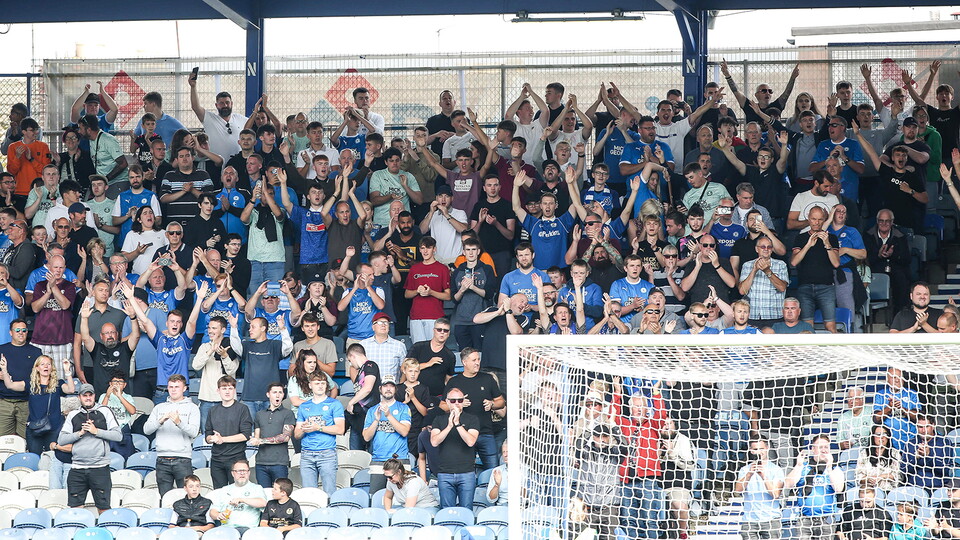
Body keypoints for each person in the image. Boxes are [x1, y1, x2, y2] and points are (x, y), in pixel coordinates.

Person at [123, 281, 204, 403]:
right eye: (172, 321)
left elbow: (192, 322)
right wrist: (131, 299)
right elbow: (145, 321)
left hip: (182, 390)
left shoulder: (184, 340)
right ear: (166, 323)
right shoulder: (160, 339)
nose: (175, 324)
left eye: (178, 322)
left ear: (181, 325)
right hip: (161, 391)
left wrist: (199, 299)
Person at [58, 383, 122, 514]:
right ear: (79, 397)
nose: (88, 398)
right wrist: (79, 433)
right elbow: (61, 440)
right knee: (75, 510)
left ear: (94, 396)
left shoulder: (105, 411)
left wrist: (96, 431)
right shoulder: (73, 414)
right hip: (77, 468)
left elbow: (118, 436)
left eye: (90, 395)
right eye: (84, 395)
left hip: (100, 467)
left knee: (104, 508)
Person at [143, 374, 201, 496]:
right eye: (171, 387)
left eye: (177, 387)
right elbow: (146, 430)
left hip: (183, 459)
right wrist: (160, 421)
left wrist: (179, 422)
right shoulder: (159, 407)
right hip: (162, 459)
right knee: (165, 498)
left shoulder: (192, 407)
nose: (173, 390)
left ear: (184, 388)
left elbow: (194, 432)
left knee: (187, 498)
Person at [783, 435, 844, 540]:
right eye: (820, 447)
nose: (824, 450)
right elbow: (788, 484)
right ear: (813, 449)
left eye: (826, 447)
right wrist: (798, 466)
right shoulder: (803, 467)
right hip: (805, 520)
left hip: (826, 520)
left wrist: (829, 468)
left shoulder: (835, 468)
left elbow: (838, 489)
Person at [790, 206, 840, 333]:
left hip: (826, 287)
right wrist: (808, 245)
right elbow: (794, 262)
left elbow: (836, 263)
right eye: (813, 219)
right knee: (807, 328)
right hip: (805, 287)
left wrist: (827, 244)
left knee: (831, 327)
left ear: (824, 220)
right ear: (808, 218)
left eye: (820, 219)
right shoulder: (801, 238)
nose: (816, 222)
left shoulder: (832, 238)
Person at [430, 386, 480, 509]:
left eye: (460, 400)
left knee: (466, 510)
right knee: (446, 511)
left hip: (466, 472)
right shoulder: (439, 419)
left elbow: (470, 442)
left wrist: (457, 424)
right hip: (445, 473)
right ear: (447, 402)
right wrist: (449, 426)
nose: (457, 403)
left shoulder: (472, 419)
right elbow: (434, 442)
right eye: (453, 401)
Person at [295, 373, 344, 496]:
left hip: (327, 453)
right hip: (306, 454)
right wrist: (304, 428)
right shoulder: (304, 406)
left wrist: (318, 427)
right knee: (309, 494)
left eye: (323, 383)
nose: (320, 386)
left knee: (329, 493)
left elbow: (340, 429)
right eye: (317, 383)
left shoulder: (334, 404)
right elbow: (296, 434)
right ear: (310, 385)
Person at [363, 374, 412, 493]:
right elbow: (366, 437)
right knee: (376, 497)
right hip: (378, 459)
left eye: (391, 386)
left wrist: (389, 415)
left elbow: (404, 431)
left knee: (402, 497)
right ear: (380, 389)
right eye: (385, 386)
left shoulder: (403, 408)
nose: (388, 389)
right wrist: (376, 420)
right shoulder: (372, 410)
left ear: (395, 389)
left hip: (400, 459)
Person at [78, 302, 139, 397]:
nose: (110, 335)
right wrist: (84, 318)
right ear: (101, 336)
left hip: (122, 397)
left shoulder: (125, 348)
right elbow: (85, 338)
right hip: (101, 397)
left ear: (117, 334)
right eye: (106, 333)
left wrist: (133, 317)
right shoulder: (97, 349)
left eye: (112, 332)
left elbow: (136, 336)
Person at [206, 376, 254, 489]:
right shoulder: (212, 410)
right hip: (217, 459)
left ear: (235, 390)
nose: (227, 391)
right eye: (224, 388)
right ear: (218, 391)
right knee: (219, 493)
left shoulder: (242, 409)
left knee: (238, 493)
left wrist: (222, 439)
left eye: (230, 388)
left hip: (237, 459)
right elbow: (207, 435)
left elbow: (246, 435)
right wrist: (212, 438)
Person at [22, 355, 75, 455]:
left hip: (54, 427)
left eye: (48, 364)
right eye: (42, 364)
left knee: (52, 457)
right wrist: (4, 371)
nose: (46, 366)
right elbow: (10, 385)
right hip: (35, 427)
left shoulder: (58, 383)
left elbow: (71, 390)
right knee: (35, 457)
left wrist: (67, 371)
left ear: (52, 367)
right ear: (37, 368)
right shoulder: (31, 384)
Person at [734, 438, 784, 540]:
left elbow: (776, 494)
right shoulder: (744, 470)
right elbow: (737, 490)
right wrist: (749, 474)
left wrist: (763, 476)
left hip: (771, 519)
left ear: (767, 448)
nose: (759, 452)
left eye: (761, 449)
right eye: (755, 449)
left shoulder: (776, 469)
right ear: (751, 451)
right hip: (749, 520)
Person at [0, 319, 42, 438]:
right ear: (10, 332)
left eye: (24, 330)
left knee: (27, 440)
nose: (21, 333)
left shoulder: (36, 352)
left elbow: (41, 376)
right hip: (4, 403)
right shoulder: (1, 350)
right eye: (17, 330)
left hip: (27, 403)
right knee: (3, 441)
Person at [250, 382, 296, 489]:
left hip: (279, 462)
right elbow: (257, 437)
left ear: (283, 395)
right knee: (264, 494)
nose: (277, 395)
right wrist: (254, 440)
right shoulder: (259, 414)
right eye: (274, 392)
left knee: (281, 493)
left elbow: (285, 437)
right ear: (268, 394)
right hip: (261, 462)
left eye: (280, 392)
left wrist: (261, 441)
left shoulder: (288, 413)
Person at [209, 459, 268, 535]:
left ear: (249, 473)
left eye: (245, 471)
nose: (242, 473)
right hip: (226, 528)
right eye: (239, 471)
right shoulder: (224, 490)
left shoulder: (256, 488)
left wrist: (242, 500)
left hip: (247, 529)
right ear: (233, 473)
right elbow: (212, 512)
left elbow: (263, 503)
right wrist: (218, 515)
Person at [873, 367, 922, 452]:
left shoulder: (912, 393)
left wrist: (902, 409)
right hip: (888, 441)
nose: (897, 380)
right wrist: (889, 407)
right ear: (887, 380)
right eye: (893, 377)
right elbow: (876, 419)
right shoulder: (880, 394)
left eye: (899, 377)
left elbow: (918, 417)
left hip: (909, 440)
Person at [901, 416, 952, 490]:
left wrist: (929, 455)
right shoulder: (910, 443)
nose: (923, 430)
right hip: (913, 489)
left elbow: (946, 471)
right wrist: (916, 458)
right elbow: (903, 471)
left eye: (927, 427)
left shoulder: (945, 442)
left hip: (937, 488)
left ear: (933, 426)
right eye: (920, 427)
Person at [854, 424, 901, 492]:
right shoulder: (864, 453)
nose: (882, 437)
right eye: (878, 434)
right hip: (868, 491)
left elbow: (899, 476)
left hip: (889, 491)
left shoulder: (895, 453)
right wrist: (867, 479)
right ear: (873, 437)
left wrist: (882, 476)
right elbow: (858, 476)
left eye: (885, 434)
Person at [836, 386, 872, 451]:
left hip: (869, 451)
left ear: (862, 400)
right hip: (851, 452)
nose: (851, 401)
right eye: (849, 398)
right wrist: (843, 444)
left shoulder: (871, 413)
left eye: (855, 398)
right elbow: (839, 442)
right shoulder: (843, 418)